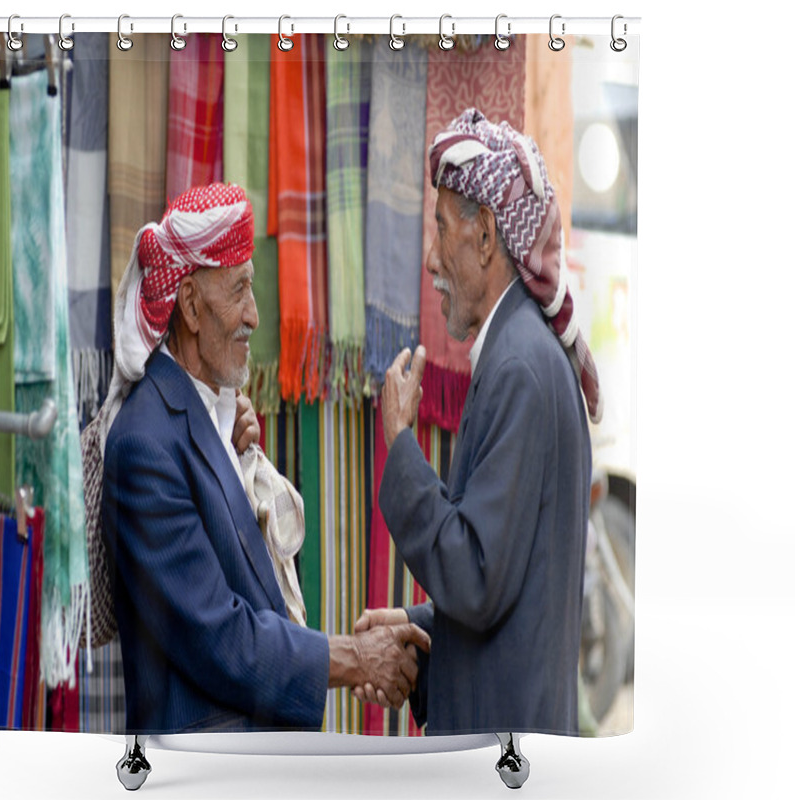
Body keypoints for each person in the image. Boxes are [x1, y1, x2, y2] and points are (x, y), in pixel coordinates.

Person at [100, 183, 429, 734]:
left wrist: (230, 452)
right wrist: (355, 658)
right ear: (190, 307)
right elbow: (219, 637)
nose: (254, 315)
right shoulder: (145, 446)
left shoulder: (205, 419)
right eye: (240, 290)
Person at [355, 109, 600, 736]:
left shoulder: (518, 364)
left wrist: (402, 444)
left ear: (486, 235)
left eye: (440, 229)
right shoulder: (523, 353)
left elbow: (477, 579)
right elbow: (515, 594)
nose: (431, 259)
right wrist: (419, 632)